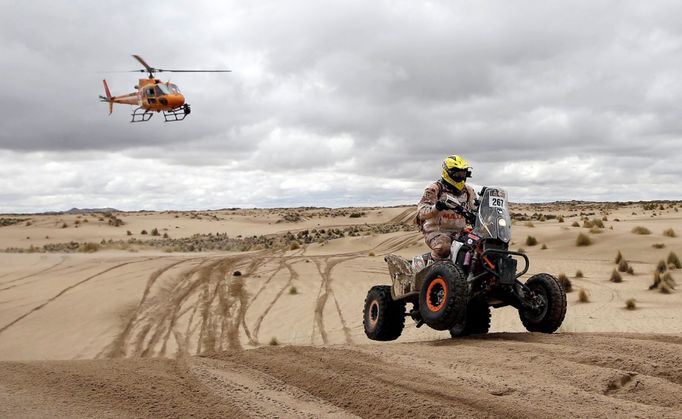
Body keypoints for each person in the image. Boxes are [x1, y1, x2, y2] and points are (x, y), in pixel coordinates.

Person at [416, 154, 478, 260]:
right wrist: (437, 207)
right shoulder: (434, 189)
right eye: (457, 173)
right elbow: (421, 212)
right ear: (447, 172)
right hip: (436, 230)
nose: (460, 176)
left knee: (478, 247)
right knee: (444, 248)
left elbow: (475, 209)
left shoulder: (468, 191)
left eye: (463, 173)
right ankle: (426, 265)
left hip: (460, 231)